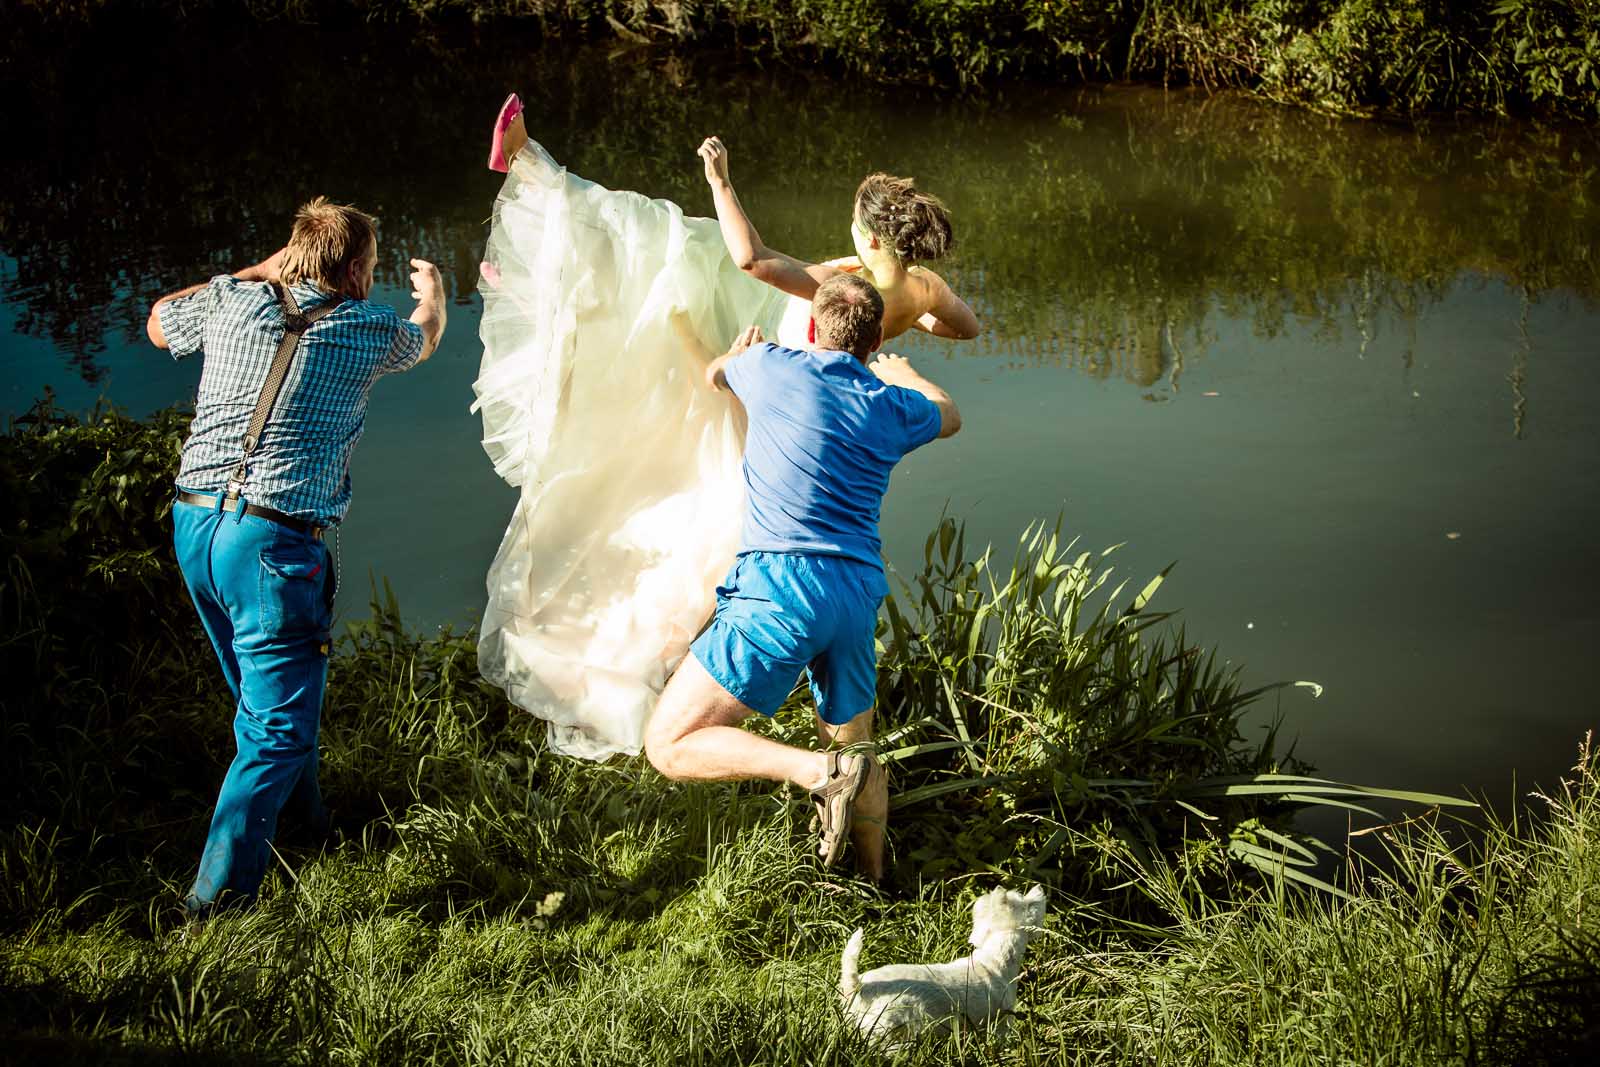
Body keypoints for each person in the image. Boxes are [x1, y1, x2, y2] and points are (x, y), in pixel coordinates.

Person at [474, 94, 979, 761]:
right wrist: (907, 340)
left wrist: (721, 181)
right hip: (810, 422)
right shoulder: (923, 289)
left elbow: (752, 257)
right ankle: (560, 270)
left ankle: (558, 248)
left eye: (858, 233)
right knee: (683, 272)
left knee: (681, 268)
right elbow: (964, 327)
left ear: (876, 241)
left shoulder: (836, 283)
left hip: (765, 417)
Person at [146, 197, 446, 915]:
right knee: (277, 728)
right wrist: (433, 295)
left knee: (264, 704)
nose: (373, 279)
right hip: (272, 545)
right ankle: (216, 906)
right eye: (370, 267)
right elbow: (424, 338)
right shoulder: (368, 327)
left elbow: (157, 322)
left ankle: (303, 828)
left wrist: (259, 269)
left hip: (194, 523)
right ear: (350, 272)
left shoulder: (232, 301)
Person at [644, 274, 962, 881]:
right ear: (872, 344)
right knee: (858, 749)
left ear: (813, 328)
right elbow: (948, 415)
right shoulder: (890, 406)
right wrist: (904, 376)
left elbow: (713, 377)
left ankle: (816, 775)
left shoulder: (769, 366)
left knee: (670, 743)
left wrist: (734, 356)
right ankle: (871, 884)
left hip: (780, 588)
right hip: (854, 593)